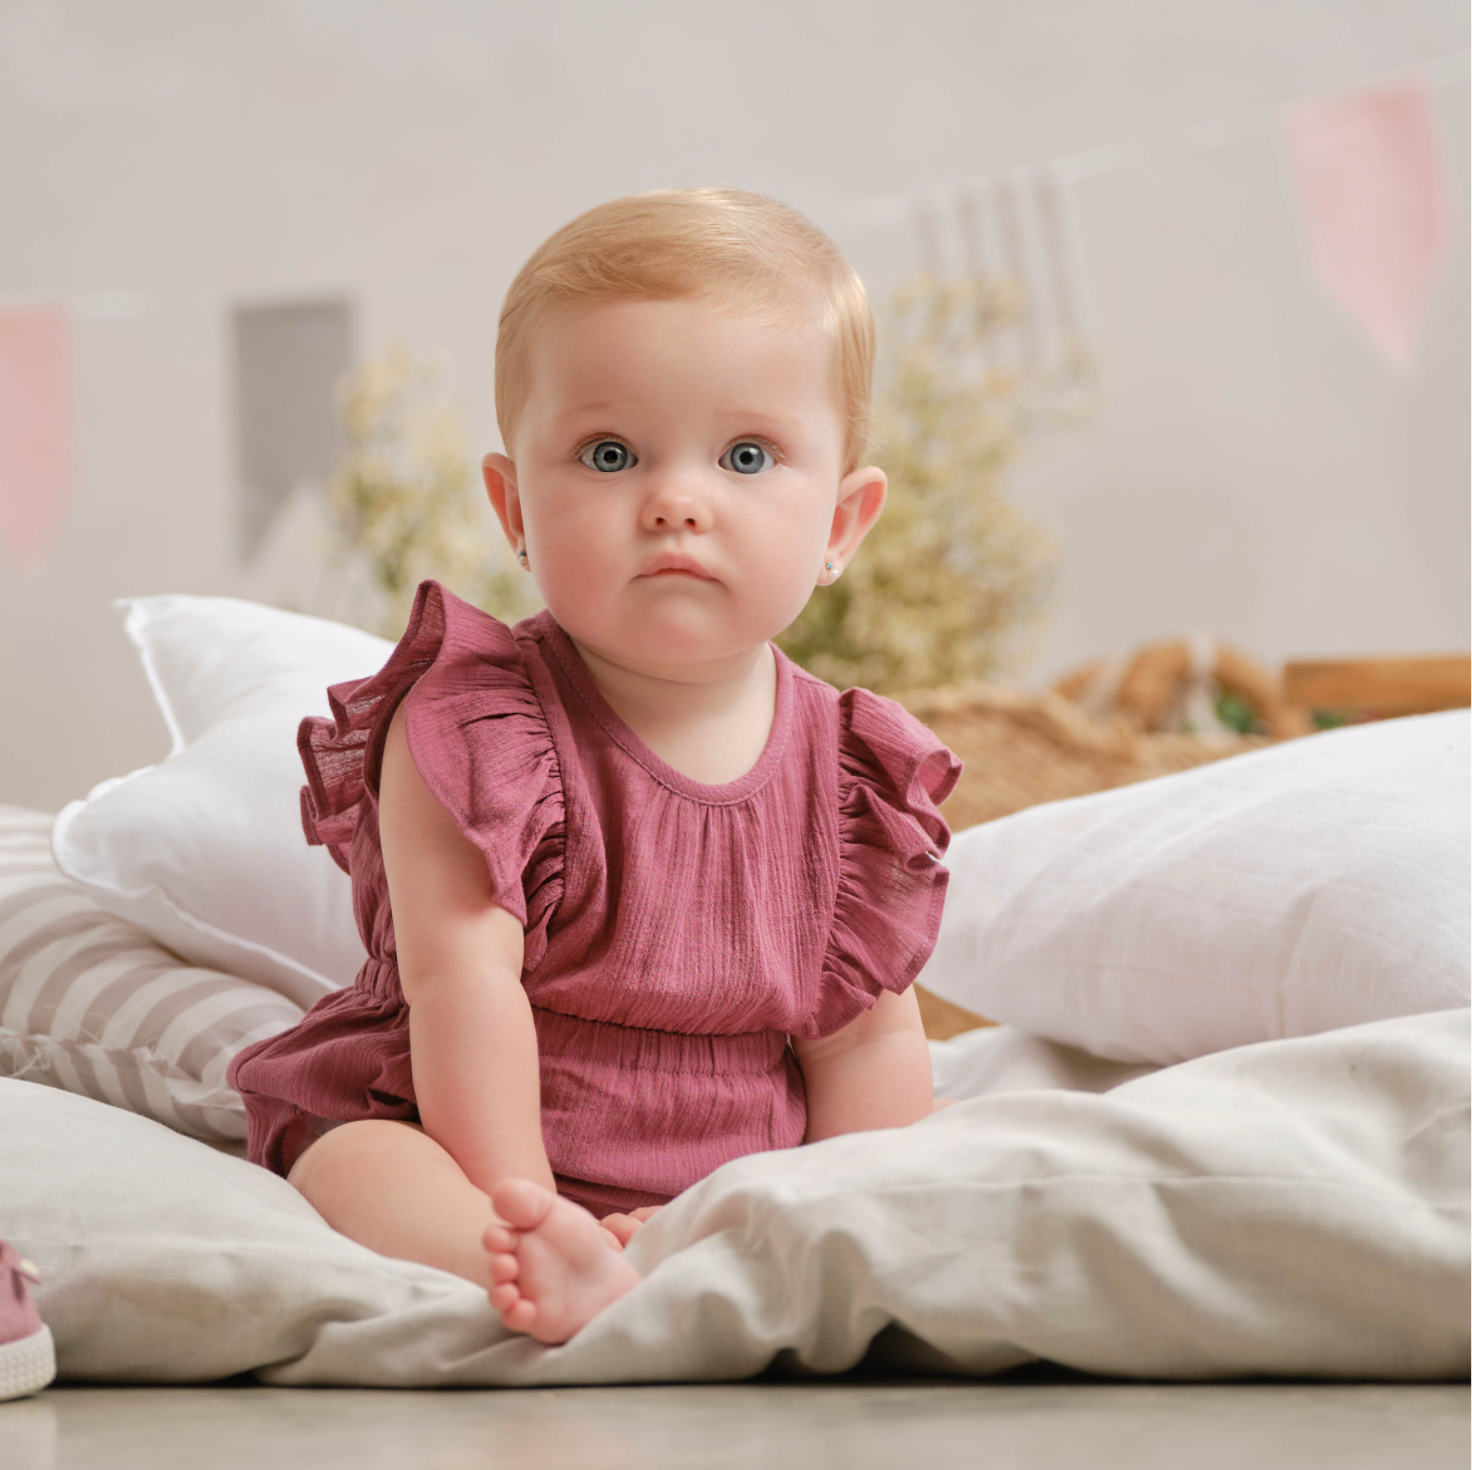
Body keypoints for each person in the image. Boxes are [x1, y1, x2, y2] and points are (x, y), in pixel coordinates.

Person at [227, 189, 962, 1345]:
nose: (675, 501)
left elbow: (863, 1037)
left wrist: (859, 1214)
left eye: (747, 454)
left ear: (840, 524)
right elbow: (458, 989)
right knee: (349, 1162)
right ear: (514, 506)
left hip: (723, 1158)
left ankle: (672, 1251)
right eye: (609, 453)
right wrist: (521, 1202)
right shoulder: (474, 724)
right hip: (453, 1120)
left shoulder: (848, 774)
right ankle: (516, 1259)